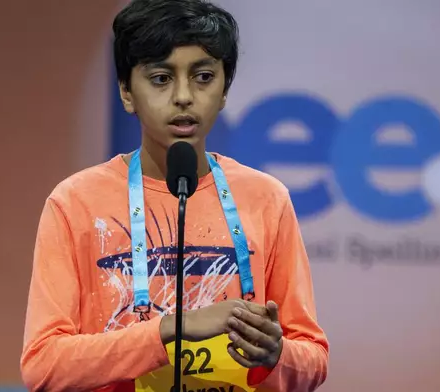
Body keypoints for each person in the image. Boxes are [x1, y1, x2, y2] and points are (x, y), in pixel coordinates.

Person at [19, 0, 329, 391]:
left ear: (224, 91)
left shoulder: (267, 198)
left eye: (202, 76)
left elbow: (313, 359)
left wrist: (276, 355)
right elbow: (43, 366)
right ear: (127, 93)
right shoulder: (75, 203)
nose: (184, 96)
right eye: (162, 78)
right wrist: (168, 330)